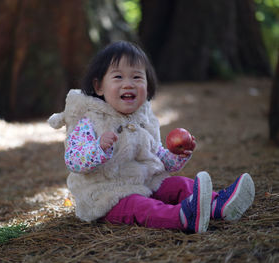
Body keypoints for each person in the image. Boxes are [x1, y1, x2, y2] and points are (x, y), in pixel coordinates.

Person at [48, 41, 255, 233]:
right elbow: (73, 161)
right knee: (140, 206)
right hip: (108, 196)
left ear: (147, 86)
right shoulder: (89, 120)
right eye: (118, 77)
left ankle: (218, 205)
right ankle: (182, 217)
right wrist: (98, 148)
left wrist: (177, 154)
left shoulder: (142, 119)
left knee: (180, 184)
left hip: (146, 183)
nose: (128, 84)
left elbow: (157, 157)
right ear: (99, 87)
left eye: (137, 77)